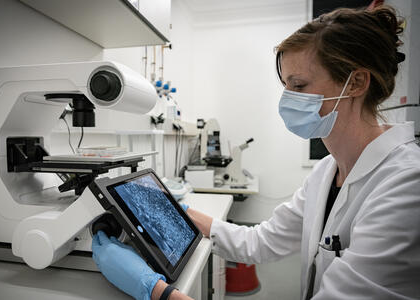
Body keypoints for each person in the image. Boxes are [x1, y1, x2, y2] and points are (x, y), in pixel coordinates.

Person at [91, 5, 420, 300]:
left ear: (356, 83)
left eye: (299, 85)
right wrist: (175, 211)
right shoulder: (326, 172)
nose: (286, 98)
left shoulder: (406, 186)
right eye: (286, 86)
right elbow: (261, 241)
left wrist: (157, 292)